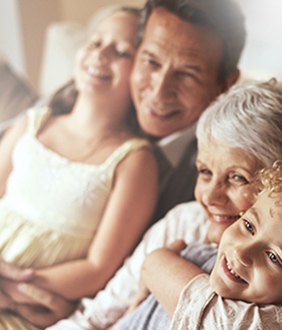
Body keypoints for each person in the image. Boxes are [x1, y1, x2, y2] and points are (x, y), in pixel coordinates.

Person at [0, 0, 247, 326]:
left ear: (225, 84)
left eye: (187, 73)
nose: (160, 91)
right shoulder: (61, 109)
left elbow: (119, 286)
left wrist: (64, 308)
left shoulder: (210, 184)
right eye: (151, 61)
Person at [48, 79, 282, 329]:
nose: (209, 197)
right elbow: (93, 318)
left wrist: (158, 266)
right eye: (205, 172)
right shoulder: (186, 222)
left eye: (237, 177)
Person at [0, 6, 158, 329]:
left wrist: (13, 288)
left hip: (28, 306)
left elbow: (97, 267)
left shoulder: (133, 160)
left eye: (121, 51)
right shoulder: (33, 124)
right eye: (95, 42)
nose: (101, 55)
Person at [113, 153, 282, 330]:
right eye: (248, 226)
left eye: (273, 257)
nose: (242, 252)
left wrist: (157, 262)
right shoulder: (196, 254)